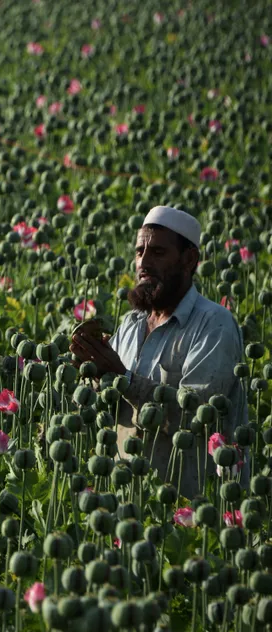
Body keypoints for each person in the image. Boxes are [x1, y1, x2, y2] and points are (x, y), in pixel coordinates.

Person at [70, 206, 247, 499]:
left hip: (189, 508)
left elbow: (198, 418)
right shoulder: (130, 326)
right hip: (126, 498)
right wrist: (89, 374)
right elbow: (109, 410)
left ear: (189, 260)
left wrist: (121, 378)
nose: (144, 263)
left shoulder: (214, 324)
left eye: (158, 253)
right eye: (140, 252)